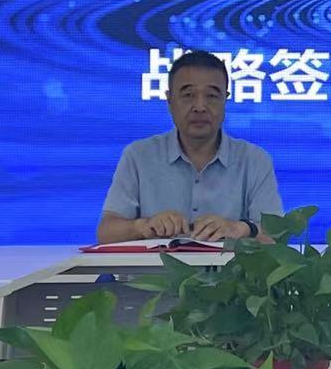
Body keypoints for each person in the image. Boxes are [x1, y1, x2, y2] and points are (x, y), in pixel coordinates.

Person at [97, 50, 283, 243]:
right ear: (170, 101)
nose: (200, 107)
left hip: (231, 264)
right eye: (188, 95)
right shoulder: (138, 156)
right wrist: (144, 226)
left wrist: (242, 228)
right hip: (155, 264)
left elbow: (277, 236)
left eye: (212, 96)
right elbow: (106, 232)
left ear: (225, 100)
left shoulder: (254, 160)